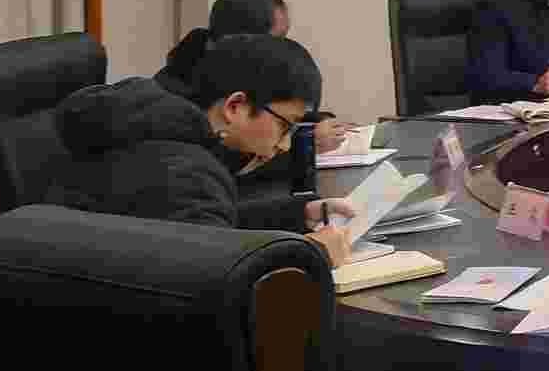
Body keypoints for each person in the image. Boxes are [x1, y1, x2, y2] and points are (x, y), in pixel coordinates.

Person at [46, 34, 355, 266]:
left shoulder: (147, 125)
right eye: (285, 125)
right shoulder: (186, 171)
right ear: (235, 106)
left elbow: (200, 228)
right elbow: (214, 279)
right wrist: (313, 253)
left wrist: (294, 215)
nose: (284, 143)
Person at [156, 0, 356, 191]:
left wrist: (313, 120)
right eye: (277, 40)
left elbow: (272, 108)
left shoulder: (213, 70)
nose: (282, 50)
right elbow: (227, 173)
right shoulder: (176, 110)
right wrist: (301, 148)